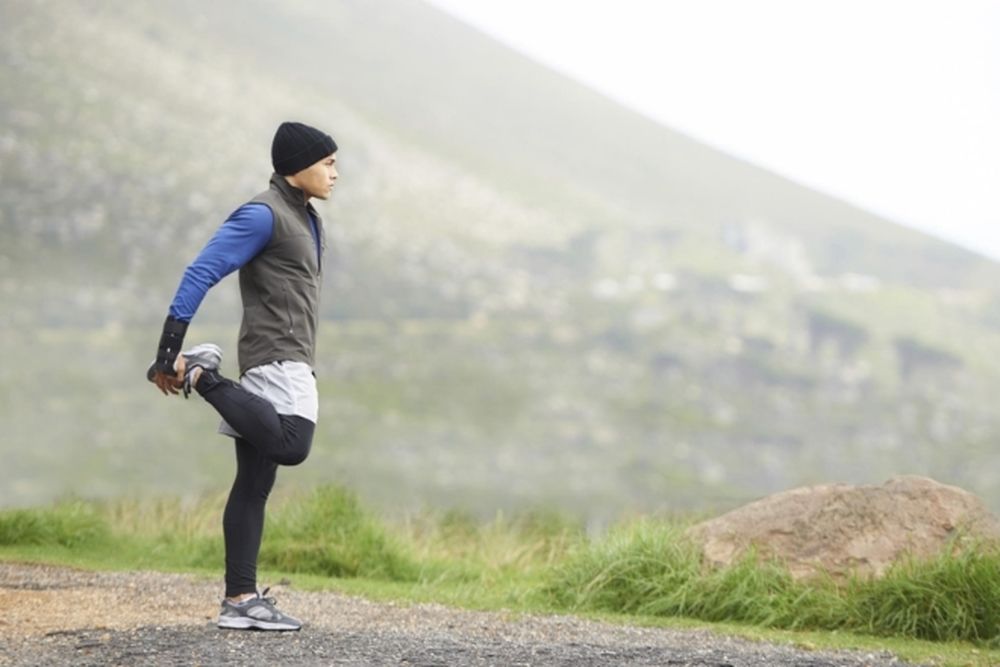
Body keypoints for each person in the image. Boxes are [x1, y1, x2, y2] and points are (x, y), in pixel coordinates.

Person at [148, 121, 338, 631]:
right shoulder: (264, 214)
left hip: (281, 357)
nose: (335, 172)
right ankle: (203, 376)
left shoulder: (306, 217)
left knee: (253, 485)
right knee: (293, 445)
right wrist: (169, 353)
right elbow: (201, 270)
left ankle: (239, 600)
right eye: (327, 162)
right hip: (278, 360)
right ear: (297, 167)